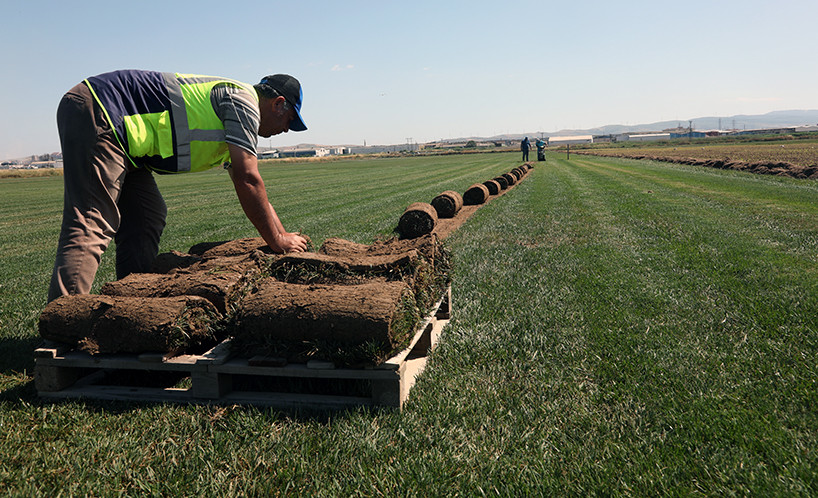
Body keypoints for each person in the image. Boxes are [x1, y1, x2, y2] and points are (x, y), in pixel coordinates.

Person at [47, 70, 309, 302]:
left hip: (127, 143)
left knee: (147, 215)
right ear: (278, 103)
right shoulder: (243, 103)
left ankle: (129, 298)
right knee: (92, 219)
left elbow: (256, 192)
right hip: (101, 110)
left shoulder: (239, 117)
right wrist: (277, 240)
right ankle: (63, 322)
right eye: (290, 121)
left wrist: (283, 237)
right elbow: (248, 179)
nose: (287, 130)